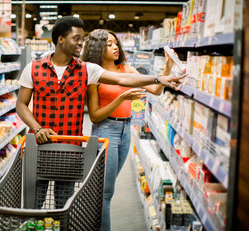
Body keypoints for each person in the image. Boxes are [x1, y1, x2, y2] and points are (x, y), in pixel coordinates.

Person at [15, 16, 183, 211]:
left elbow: (121, 78)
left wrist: (158, 78)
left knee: (63, 208)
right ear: (60, 39)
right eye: (76, 38)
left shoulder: (87, 70)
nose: (81, 43)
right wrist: (37, 128)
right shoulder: (33, 68)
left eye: (82, 38)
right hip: (39, 147)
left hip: (70, 150)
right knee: (33, 205)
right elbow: (21, 104)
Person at [81, 29, 175, 231]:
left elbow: (156, 90)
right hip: (105, 131)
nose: (115, 47)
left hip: (125, 130)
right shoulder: (94, 74)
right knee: (105, 193)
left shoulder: (126, 69)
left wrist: (166, 70)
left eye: (116, 43)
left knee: (106, 189)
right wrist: (122, 98)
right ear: (97, 47)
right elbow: (95, 116)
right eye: (109, 44)